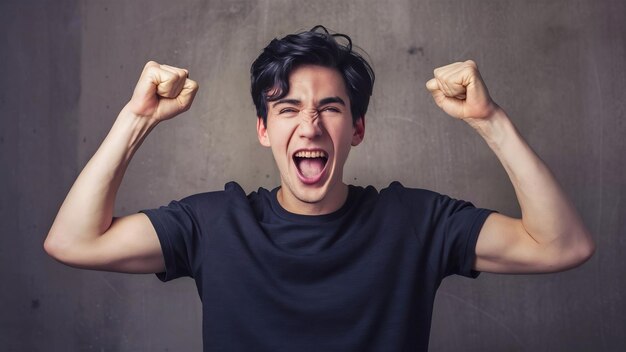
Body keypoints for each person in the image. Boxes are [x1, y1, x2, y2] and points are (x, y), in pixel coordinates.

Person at [45, 26, 594, 351]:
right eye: (287, 109)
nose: (309, 125)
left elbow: (562, 245)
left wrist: (489, 120)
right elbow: (72, 242)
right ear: (264, 130)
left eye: (329, 108)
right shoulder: (214, 224)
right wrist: (137, 118)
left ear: (356, 128)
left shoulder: (416, 223)